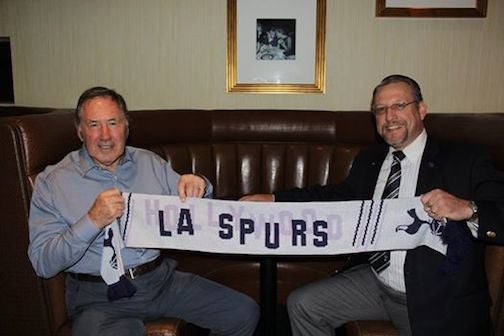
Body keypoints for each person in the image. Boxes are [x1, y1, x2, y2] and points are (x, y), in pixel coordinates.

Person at [240, 75, 504, 335]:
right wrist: (275, 199)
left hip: (437, 298)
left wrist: (469, 208)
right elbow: (337, 196)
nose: (389, 117)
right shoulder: (371, 159)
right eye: (380, 110)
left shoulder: (464, 159)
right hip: (377, 282)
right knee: (304, 305)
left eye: (399, 106)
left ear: (421, 110)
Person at [28, 86, 259, 336]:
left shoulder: (149, 162)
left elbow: (195, 210)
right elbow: (43, 263)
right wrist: (91, 221)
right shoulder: (52, 182)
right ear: (80, 131)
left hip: (161, 280)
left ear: (126, 127)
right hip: (99, 297)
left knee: (243, 313)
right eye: (94, 124)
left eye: (113, 123)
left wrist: (200, 185)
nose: (105, 135)